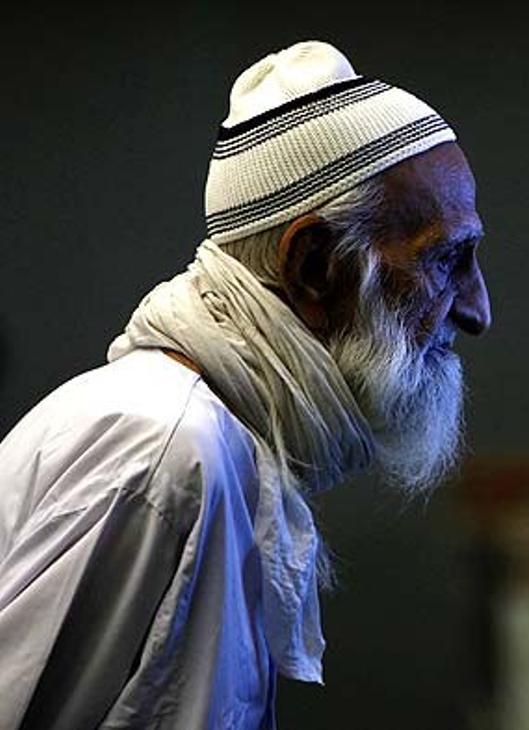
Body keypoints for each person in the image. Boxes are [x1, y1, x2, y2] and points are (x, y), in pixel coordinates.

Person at [0, 40, 490, 728]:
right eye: (446, 260)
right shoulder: (165, 454)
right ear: (316, 265)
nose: (477, 311)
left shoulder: (223, 445)